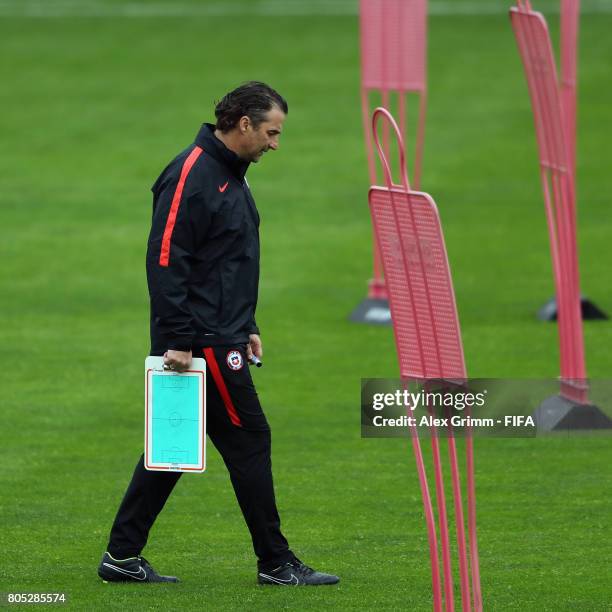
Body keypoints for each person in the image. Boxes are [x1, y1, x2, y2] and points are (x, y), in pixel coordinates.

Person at [97, 82, 339, 587]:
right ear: (244, 124)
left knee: (174, 443)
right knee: (250, 440)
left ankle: (121, 556)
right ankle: (275, 562)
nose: (276, 143)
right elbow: (166, 260)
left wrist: (247, 325)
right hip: (202, 341)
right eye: (272, 132)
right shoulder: (191, 174)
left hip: (220, 333)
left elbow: (227, 261)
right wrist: (180, 342)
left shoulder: (231, 173)